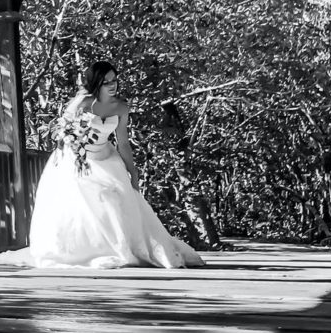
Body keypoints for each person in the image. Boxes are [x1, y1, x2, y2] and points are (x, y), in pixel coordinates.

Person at [25, 61, 203, 269]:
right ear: (96, 84)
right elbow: (63, 134)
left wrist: (132, 171)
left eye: (114, 80)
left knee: (116, 197)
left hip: (106, 157)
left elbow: (123, 142)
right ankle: (87, 250)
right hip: (77, 159)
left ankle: (120, 248)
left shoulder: (120, 107)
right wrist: (77, 151)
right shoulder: (81, 103)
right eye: (105, 82)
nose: (112, 85)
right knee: (80, 205)